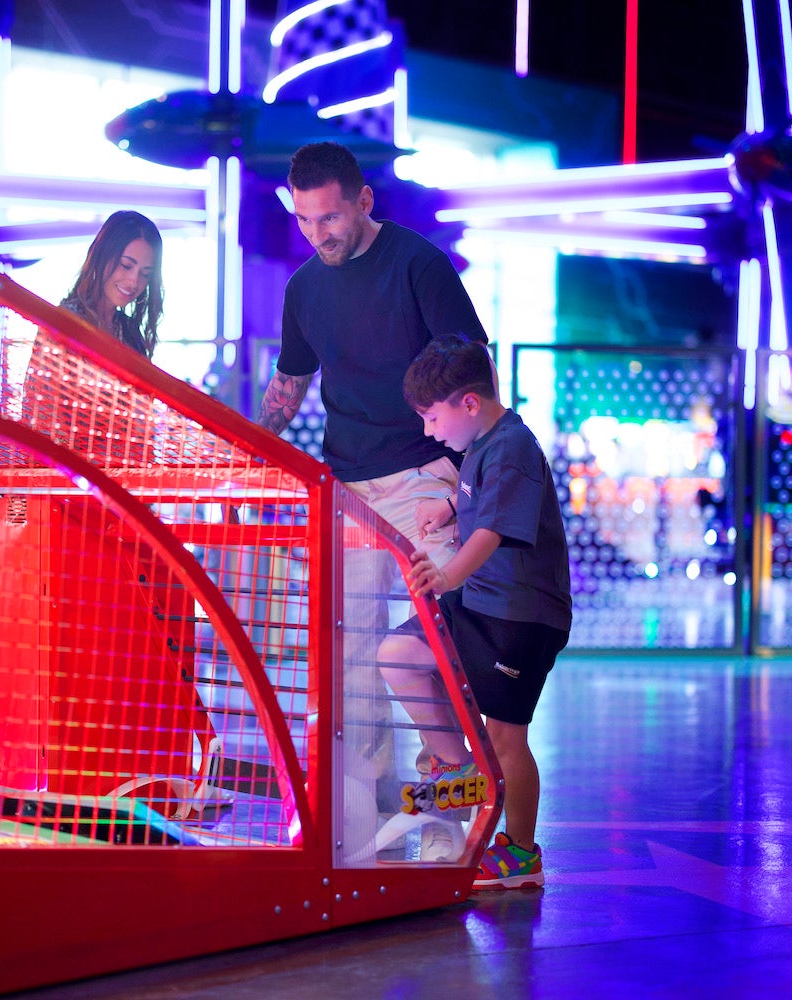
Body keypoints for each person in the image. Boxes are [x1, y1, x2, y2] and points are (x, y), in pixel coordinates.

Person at [255, 142, 489, 826]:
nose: (318, 232)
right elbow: (289, 385)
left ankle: (450, 803)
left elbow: (472, 372)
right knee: (350, 652)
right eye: (304, 220)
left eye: (329, 216)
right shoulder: (303, 289)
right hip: (349, 484)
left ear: (363, 201)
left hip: (426, 473)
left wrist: (465, 480)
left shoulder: (419, 264)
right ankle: (369, 805)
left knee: (429, 647)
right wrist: (247, 441)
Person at [377, 335, 572, 890]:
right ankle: (457, 765)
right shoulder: (481, 445)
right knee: (399, 653)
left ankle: (522, 854)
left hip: (521, 616)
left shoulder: (512, 445)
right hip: (480, 602)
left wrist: (448, 575)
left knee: (507, 737)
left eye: (432, 417)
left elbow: (493, 529)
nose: (427, 431)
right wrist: (446, 505)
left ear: (468, 403)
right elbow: (478, 503)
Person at [59, 210, 163, 359]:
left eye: (145, 274)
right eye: (126, 265)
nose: (134, 281)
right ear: (101, 257)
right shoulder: (66, 322)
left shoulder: (130, 333)